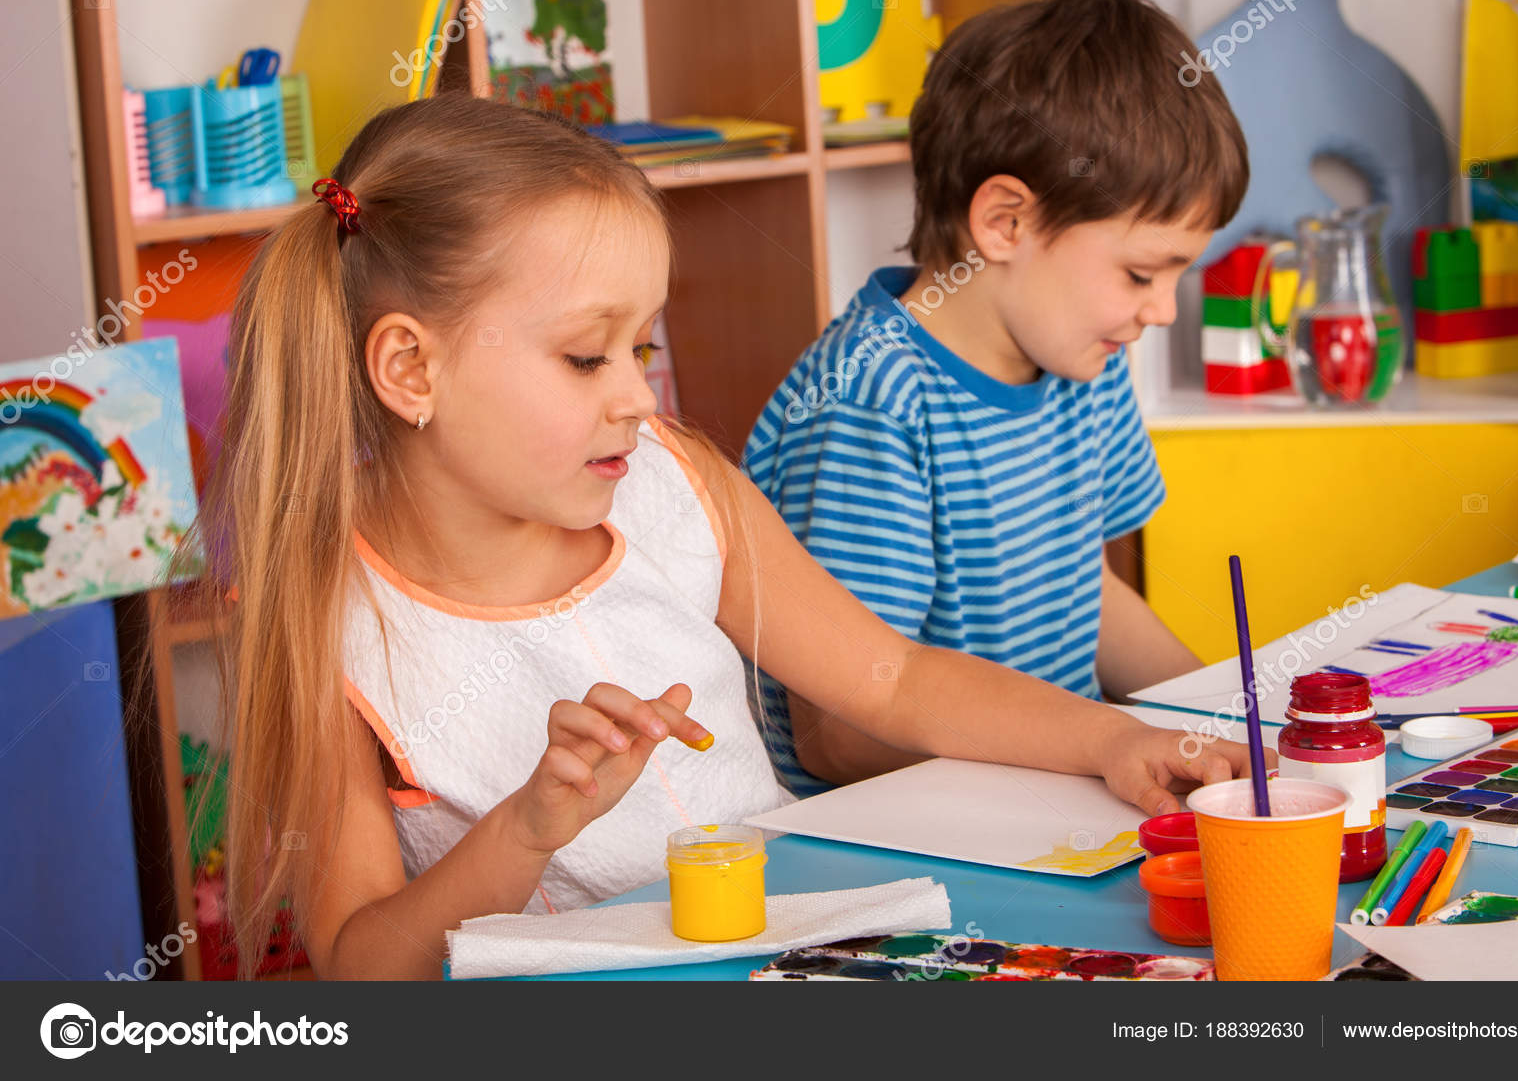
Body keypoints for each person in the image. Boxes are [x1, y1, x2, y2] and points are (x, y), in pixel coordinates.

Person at [192, 93, 1256, 980]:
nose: (636, 393)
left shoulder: (674, 481)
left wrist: (1115, 739)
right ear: (411, 370)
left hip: (798, 957)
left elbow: (890, 678)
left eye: (641, 344)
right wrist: (527, 826)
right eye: (584, 357)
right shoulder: (327, 624)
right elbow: (359, 966)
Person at [744, 0, 1249, 794]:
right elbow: (840, 735)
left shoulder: (1084, 358)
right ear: (1007, 224)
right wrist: (1093, 742)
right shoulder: (870, 401)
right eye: (1141, 273)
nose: (1162, 310)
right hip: (903, 832)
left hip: (1048, 798)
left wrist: (1228, 722)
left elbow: (1092, 591)